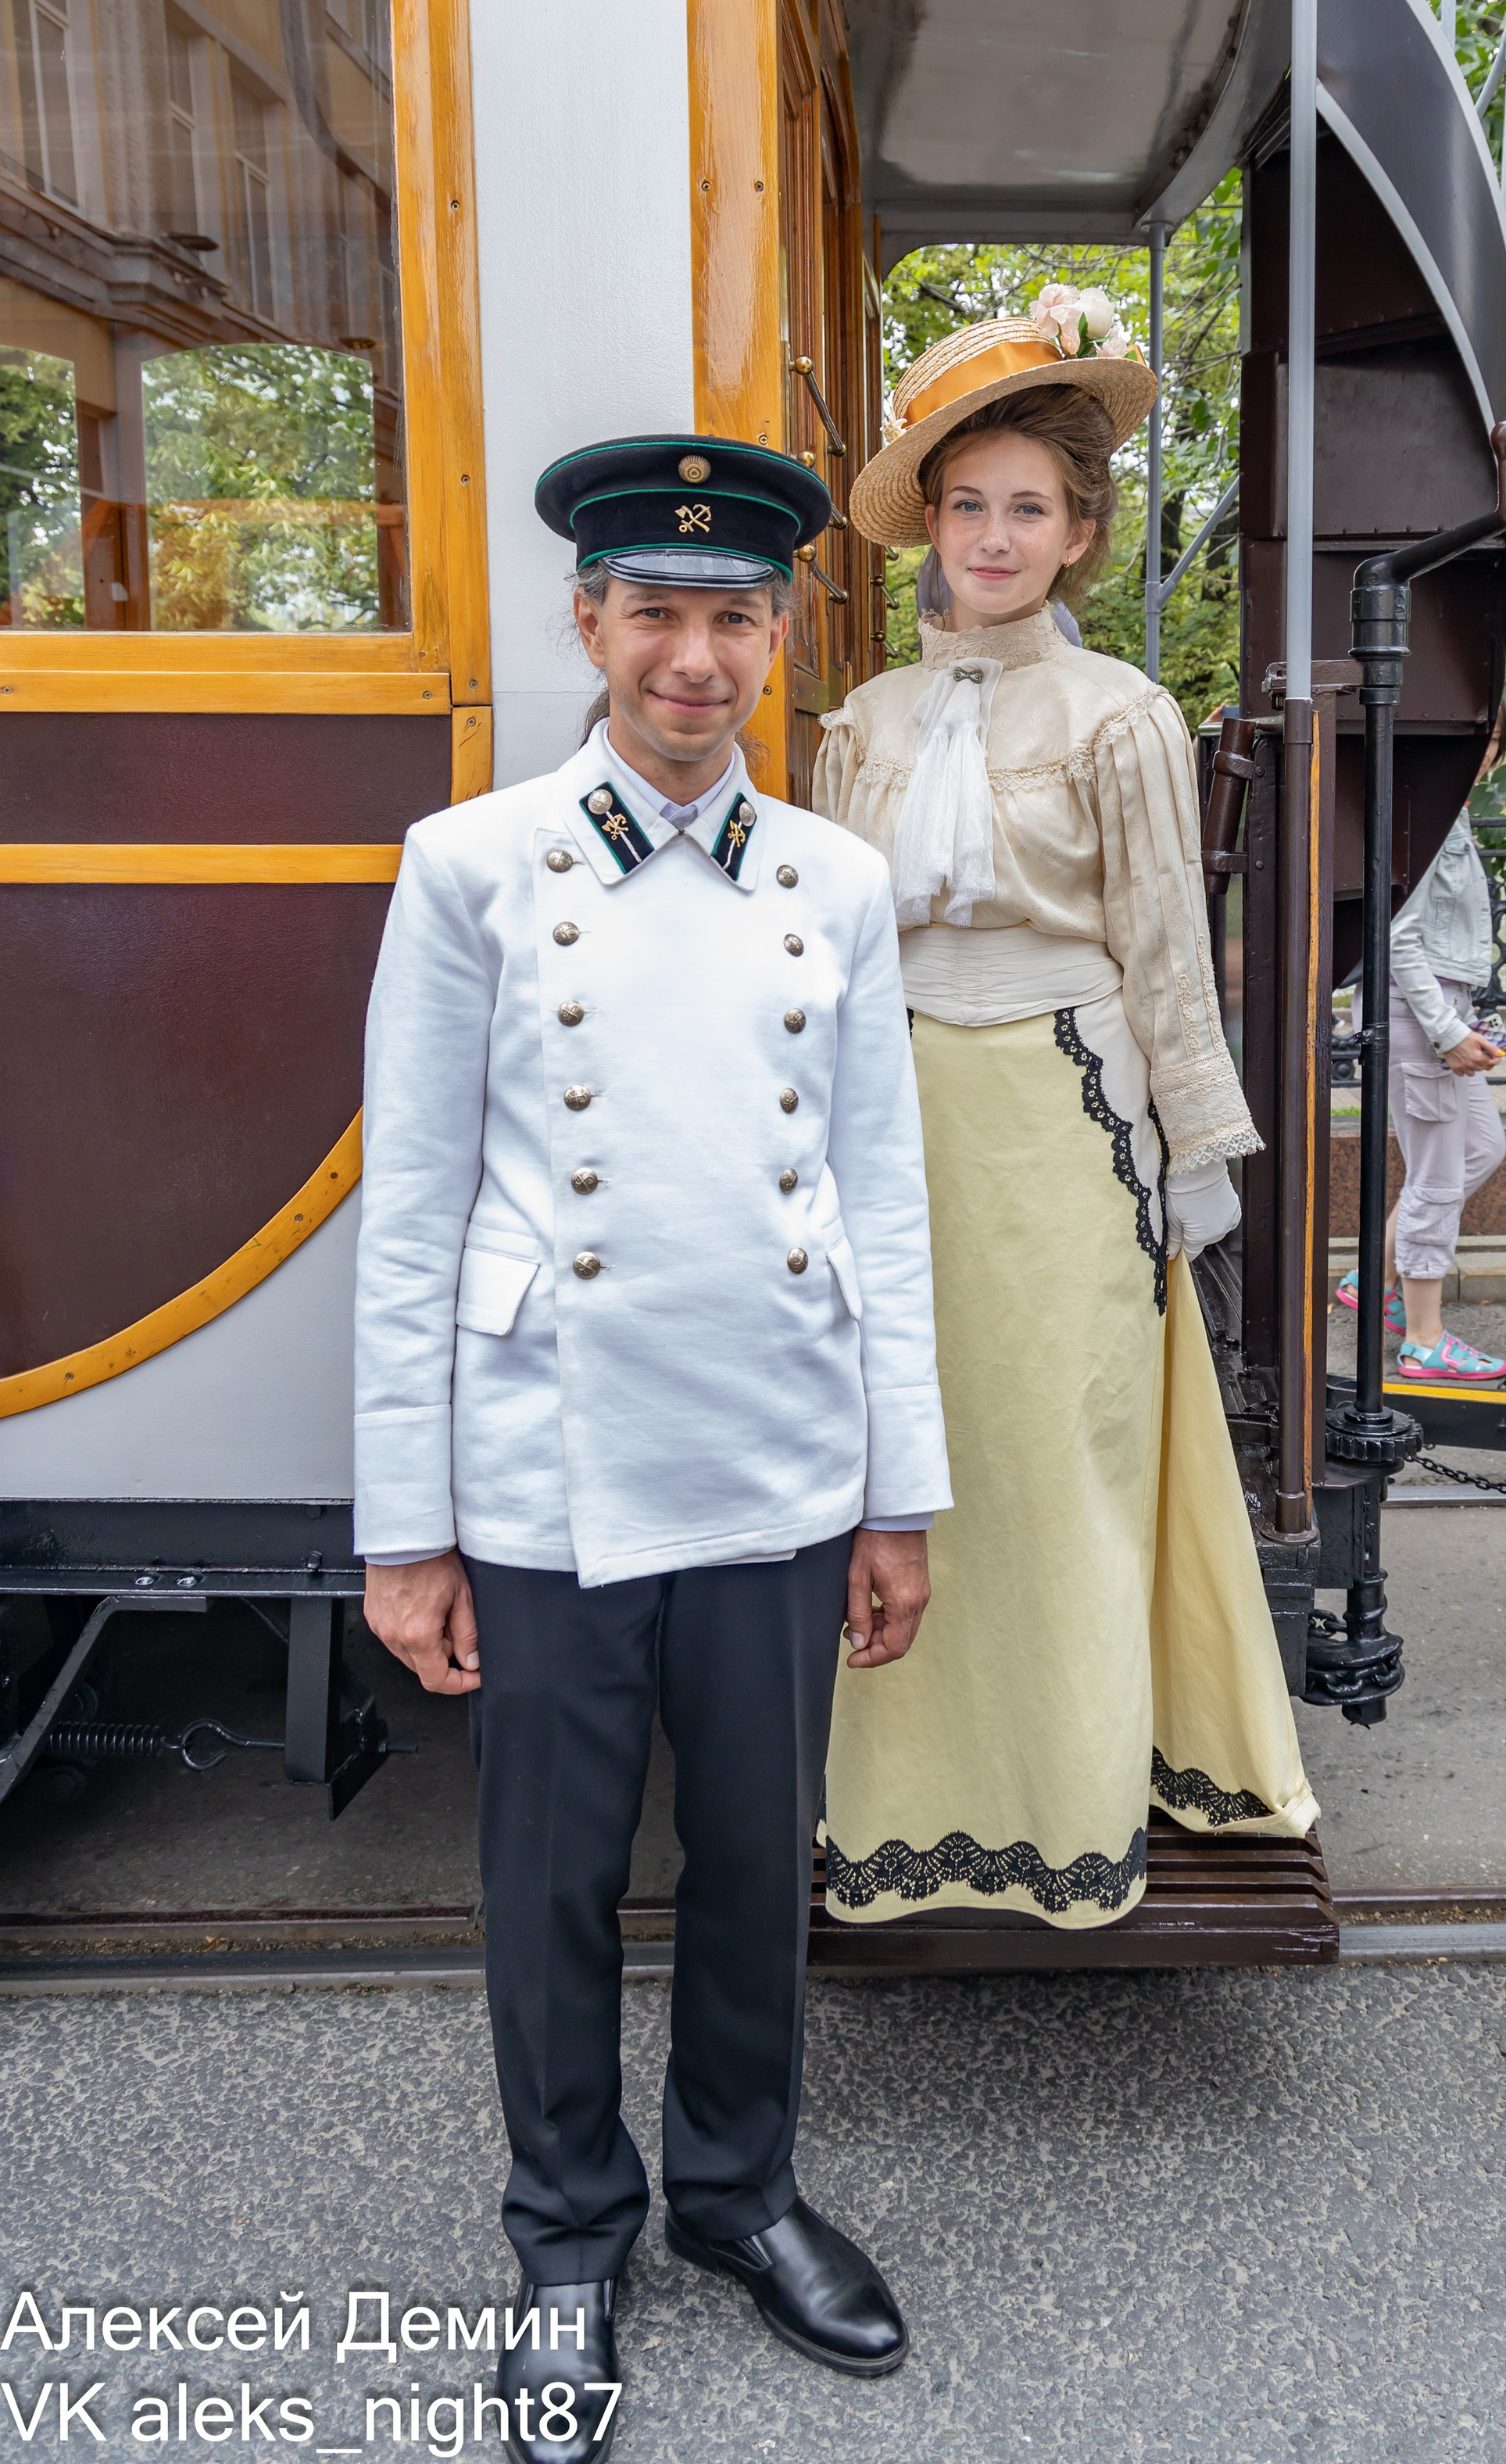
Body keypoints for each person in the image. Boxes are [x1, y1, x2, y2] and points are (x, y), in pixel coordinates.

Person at [355, 432, 952, 2442]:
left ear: (778, 632)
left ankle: (737, 2192)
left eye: (733, 617)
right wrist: (405, 1524)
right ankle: (562, 2234)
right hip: (548, 1460)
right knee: (547, 1875)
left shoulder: (834, 883)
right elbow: (414, 1211)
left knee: (752, 1873)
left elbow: (879, 1199)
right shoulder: (470, 868)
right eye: (657, 615)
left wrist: (901, 1491)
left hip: (780, 1448)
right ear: (586, 623)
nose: (694, 656)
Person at [813, 296, 1316, 1934]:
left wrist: (1191, 1149)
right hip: (894, 1112)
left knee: (1058, 1470)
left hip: (1067, 1121)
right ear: (929, 530)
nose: (991, 536)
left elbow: (1168, 950)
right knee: (912, 1459)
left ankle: (1070, 1809)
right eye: (965, 505)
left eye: (1027, 507)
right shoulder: (864, 721)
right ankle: (901, 1814)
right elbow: (822, 953)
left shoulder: (1122, 718)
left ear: (1081, 533)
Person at [1337, 716, 1506, 1381]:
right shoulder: (1429, 815)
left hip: (1441, 1008)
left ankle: (1374, 1275)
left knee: (1479, 1148)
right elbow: (1396, 936)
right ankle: (1425, 1340)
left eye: (1496, 740)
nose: (1487, 751)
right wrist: (1446, 1029)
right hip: (1419, 1013)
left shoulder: (1450, 814)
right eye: (1479, 737)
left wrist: (1462, 1021)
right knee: (1437, 1177)